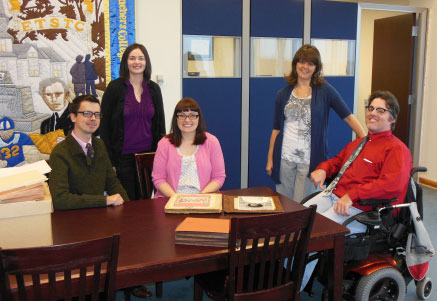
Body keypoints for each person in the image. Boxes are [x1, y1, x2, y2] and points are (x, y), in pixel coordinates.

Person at [301, 90, 412, 289]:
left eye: (381, 110)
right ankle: (282, 276)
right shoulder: (359, 143)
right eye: (371, 108)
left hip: (363, 211)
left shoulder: (397, 149)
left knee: (311, 235)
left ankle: (292, 288)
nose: (373, 113)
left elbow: (391, 185)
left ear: (392, 118)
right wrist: (322, 169)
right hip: (333, 197)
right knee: (296, 221)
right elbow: (336, 162)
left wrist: (353, 195)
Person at [266, 44, 366, 202]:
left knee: (303, 207)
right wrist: (270, 159)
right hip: (284, 159)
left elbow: (348, 116)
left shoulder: (325, 91)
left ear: (316, 67)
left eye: (310, 63)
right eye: (301, 62)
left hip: (310, 163)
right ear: (295, 64)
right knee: (284, 206)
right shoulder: (283, 94)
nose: (305, 67)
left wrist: (365, 141)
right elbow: (276, 129)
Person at [100, 43, 165, 201]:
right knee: (127, 204)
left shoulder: (154, 89)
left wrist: (161, 158)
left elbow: (160, 125)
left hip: (149, 157)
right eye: (132, 58)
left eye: (141, 58)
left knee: (146, 202)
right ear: (125, 62)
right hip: (122, 159)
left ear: (146, 62)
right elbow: (104, 127)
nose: (137, 62)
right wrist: (110, 161)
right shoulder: (115, 88)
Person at [49, 95, 128, 210]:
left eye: (97, 114)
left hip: (100, 214)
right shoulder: (60, 153)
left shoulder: (99, 145)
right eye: (87, 113)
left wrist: (128, 207)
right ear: (73, 117)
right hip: (73, 219)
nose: (93, 118)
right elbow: (60, 200)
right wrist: (104, 200)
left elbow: (112, 183)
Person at [152, 97, 225, 198]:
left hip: (204, 198)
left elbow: (218, 178)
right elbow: (158, 179)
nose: (187, 120)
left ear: (198, 118)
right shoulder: (164, 144)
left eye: (192, 115)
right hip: (170, 199)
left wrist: (200, 196)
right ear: (176, 119)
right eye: (182, 115)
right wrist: (176, 198)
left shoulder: (212, 142)